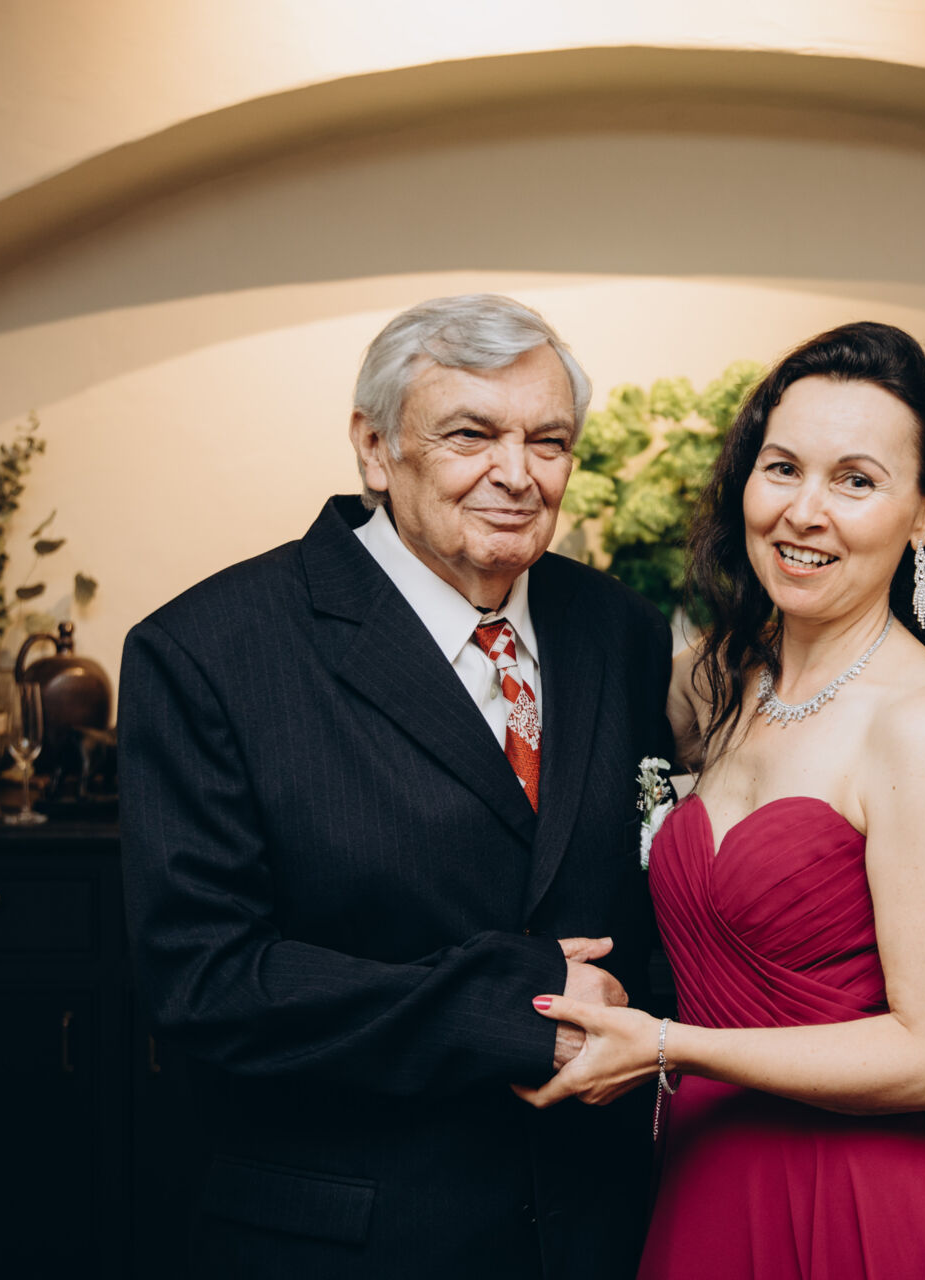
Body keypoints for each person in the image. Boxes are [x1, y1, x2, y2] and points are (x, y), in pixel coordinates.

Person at [120, 294, 674, 1280]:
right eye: (471, 434)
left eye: (548, 440)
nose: (517, 473)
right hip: (351, 1237)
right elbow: (205, 981)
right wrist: (509, 1008)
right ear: (374, 448)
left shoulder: (620, 629)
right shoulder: (208, 650)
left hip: (601, 1223)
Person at [517, 322, 925, 1278]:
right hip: (705, 1173)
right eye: (783, 468)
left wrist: (666, 1045)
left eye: (856, 481)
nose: (804, 512)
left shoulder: (922, 722)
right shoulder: (720, 681)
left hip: (858, 1194)